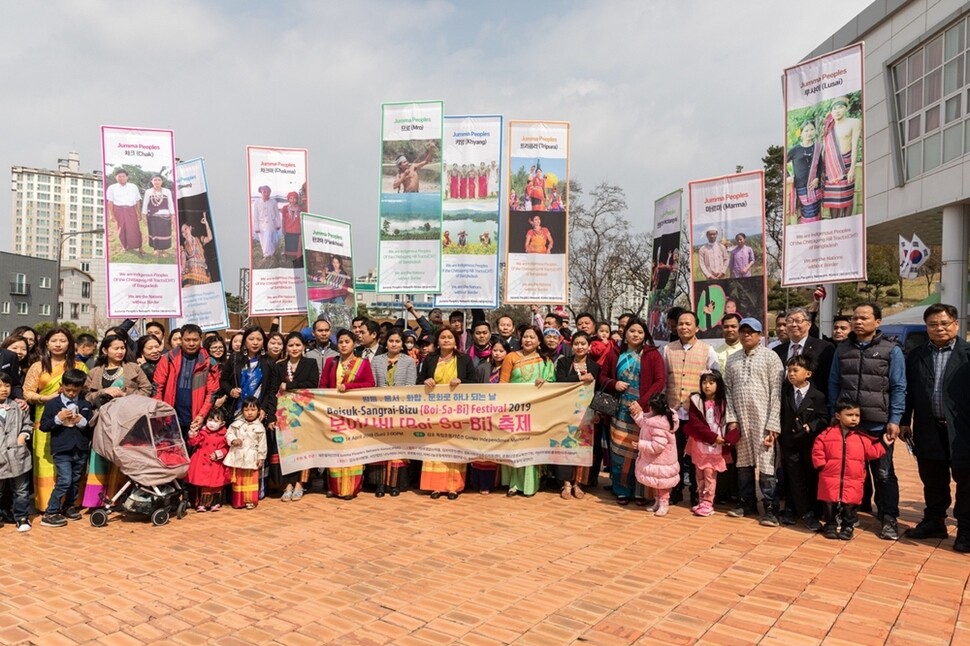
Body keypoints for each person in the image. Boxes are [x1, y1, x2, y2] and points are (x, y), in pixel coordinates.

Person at [827, 302, 906, 541]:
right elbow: (834, 383)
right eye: (855, 318)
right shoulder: (842, 350)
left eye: (864, 318)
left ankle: (889, 518)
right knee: (851, 472)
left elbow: (899, 386)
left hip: (878, 424)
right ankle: (852, 516)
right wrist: (835, 413)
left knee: (883, 473)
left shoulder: (891, 350)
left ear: (877, 322)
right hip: (850, 426)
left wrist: (895, 419)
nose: (858, 322)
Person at [901, 304, 970, 551]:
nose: (939, 328)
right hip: (928, 428)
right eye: (933, 324)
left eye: (944, 323)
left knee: (966, 481)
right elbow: (907, 391)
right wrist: (903, 421)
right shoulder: (917, 355)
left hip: (962, 431)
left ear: (956, 324)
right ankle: (934, 522)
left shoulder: (967, 354)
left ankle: (966, 531)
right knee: (932, 478)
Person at [724, 318, 784, 526]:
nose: (746, 335)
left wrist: (773, 424)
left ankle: (770, 508)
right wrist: (731, 420)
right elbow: (728, 393)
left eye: (751, 332)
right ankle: (747, 502)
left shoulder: (771, 357)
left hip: (764, 419)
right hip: (741, 419)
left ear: (760, 335)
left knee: (767, 464)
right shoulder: (733, 360)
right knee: (743, 464)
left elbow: (777, 392)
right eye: (743, 331)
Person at [81, 335, 152, 507]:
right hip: (103, 421)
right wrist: (103, 392)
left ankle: (121, 498)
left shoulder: (133, 368)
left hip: (127, 421)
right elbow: (86, 396)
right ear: (105, 351)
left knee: (124, 457)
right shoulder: (95, 372)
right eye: (116, 348)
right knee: (100, 455)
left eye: (122, 348)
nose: (120, 351)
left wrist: (126, 394)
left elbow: (147, 389)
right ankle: (96, 500)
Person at [602, 318, 666, 505]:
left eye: (640, 332)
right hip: (620, 410)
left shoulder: (652, 355)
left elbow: (659, 381)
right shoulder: (615, 353)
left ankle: (641, 491)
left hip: (643, 412)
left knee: (642, 451)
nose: (636, 335)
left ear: (645, 334)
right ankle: (621, 490)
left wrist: (641, 402)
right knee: (619, 451)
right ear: (625, 333)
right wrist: (615, 383)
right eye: (632, 331)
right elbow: (603, 376)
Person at [23, 328, 86, 512]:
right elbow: (27, 392)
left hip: (73, 425)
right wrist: (48, 398)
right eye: (54, 340)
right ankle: (45, 505)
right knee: (45, 463)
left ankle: (69, 504)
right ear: (46, 344)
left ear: (70, 344)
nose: (58, 344)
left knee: (72, 466)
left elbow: (86, 391)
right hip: (45, 419)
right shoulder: (38, 366)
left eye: (63, 340)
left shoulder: (79, 366)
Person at [813, 398, 891, 540]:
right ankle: (830, 525)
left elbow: (872, 452)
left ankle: (847, 527)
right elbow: (818, 449)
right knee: (829, 504)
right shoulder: (827, 434)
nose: (854, 419)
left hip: (853, 480)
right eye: (849, 415)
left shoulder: (862, 437)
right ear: (838, 416)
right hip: (830, 478)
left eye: (857, 415)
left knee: (850, 506)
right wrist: (821, 465)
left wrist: (884, 444)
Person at [662, 311, 718, 506]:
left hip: (697, 413)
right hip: (673, 411)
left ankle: (697, 493)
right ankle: (675, 491)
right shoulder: (668, 349)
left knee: (697, 455)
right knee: (673, 454)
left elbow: (714, 379)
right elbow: (664, 380)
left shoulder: (708, 350)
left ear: (697, 327)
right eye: (680, 324)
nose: (684, 327)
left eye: (688, 324)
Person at [419, 328, 477, 500]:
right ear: (437, 341)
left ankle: (453, 486)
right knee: (435, 447)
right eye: (442, 337)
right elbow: (418, 381)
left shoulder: (464, 359)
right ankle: (435, 486)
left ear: (456, 340)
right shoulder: (429, 359)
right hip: (434, 412)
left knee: (454, 447)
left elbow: (474, 383)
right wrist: (425, 381)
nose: (446, 340)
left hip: (457, 412)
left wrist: (461, 381)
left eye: (450, 337)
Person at [320, 329, 376, 499]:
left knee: (352, 448)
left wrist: (349, 387)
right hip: (334, 413)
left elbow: (370, 384)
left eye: (347, 342)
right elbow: (322, 386)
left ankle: (351, 488)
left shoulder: (363, 363)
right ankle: (335, 487)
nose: (343, 345)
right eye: (341, 342)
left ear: (354, 344)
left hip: (354, 413)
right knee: (336, 448)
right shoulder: (331, 362)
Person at [499, 326, 553, 497]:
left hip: (536, 410)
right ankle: (513, 484)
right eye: (525, 337)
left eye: (532, 337)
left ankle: (530, 485)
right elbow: (503, 383)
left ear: (539, 341)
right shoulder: (511, 357)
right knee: (515, 445)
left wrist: (545, 382)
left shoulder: (546, 361)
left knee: (531, 445)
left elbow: (553, 382)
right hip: (514, 409)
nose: (528, 340)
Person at [38, 369, 92, 528]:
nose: (70, 393)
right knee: (65, 480)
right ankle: (51, 512)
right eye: (67, 389)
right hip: (61, 449)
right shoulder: (52, 404)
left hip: (80, 449)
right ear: (61, 386)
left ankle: (68, 506)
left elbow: (90, 428)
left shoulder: (85, 404)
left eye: (75, 390)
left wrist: (82, 421)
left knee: (75, 479)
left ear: (81, 388)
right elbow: (44, 426)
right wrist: (58, 419)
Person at [779, 355, 827, 531]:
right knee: (794, 477)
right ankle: (803, 513)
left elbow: (824, 418)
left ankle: (807, 509)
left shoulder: (817, 396)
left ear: (808, 373)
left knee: (809, 477)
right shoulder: (785, 392)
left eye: (795, 370)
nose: (791, 374)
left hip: (809, 445)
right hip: (789, 443)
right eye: (789, 370)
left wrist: (811, 426)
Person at [684, 372, 738, 517]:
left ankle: (708, 502)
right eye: (704, 383)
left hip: (716, 445)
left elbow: (732, 423)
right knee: (699, 473)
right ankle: (701, 500)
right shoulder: (696, 401)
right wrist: (711, 437)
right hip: (701, 442)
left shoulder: (724, 403)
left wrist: (725, 438)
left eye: (711, 383)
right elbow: (695, 423)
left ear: (718, 385)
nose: (707, 386)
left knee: (709, 473)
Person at [154, 325, 220, 445]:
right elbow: (157, 387)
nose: (191, 343)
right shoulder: (168, 359)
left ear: (200, 339)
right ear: (181, 340)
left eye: (195, 340)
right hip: (170, 416)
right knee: (172, 455)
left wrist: (201, 415)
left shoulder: (209, 362)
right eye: (187, 340)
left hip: (195, 418)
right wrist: (161, 413)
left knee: (193, 457)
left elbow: (212, 393)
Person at [369, 329, 416, 497]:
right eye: (391, 341)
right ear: (385, 342)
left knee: (398, 448)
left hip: (400, 410)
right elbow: (372, 385)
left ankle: (395, 484)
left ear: (402, 344)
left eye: (397, 341)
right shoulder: (377, 360)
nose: (394, 344)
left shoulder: (409, 361)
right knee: (381, 447)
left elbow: (411, 385)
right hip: (380, 410)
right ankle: (380, 484)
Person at [553, 331, 599, 499]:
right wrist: (580, 377)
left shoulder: (595, 366)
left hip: (586, 414)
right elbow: (560, 381)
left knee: (582, 448)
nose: (579, 347)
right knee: (565, 446)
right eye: (576, 344)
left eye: (583, 344)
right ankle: (565, 484)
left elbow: (598, 391)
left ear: (589, 347)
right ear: (571, 346)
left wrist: (598, 413)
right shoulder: (564, 362)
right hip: (565, 412)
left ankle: (578, 484)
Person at [276, 332, 319, 502]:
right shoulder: (279, 366)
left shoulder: (310, 363)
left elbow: (312, 384)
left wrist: (290, 385)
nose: (294, 348)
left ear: (303, 346)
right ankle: (287, 484)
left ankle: (301, 483)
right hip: (284, 414)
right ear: (286, 348)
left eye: (298, 345)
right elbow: (274, 388)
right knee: (287, 448)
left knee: (303, 449)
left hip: (304, 413)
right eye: (291, 345)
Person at [632, 393, 680, 516]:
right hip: (658, 461)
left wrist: (640, 445)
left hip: (662, 461)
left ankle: (664, 504)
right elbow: (643, 421)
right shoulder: (656, 419)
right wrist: (636, 414)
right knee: (657, 483)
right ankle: (658, 502)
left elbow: (657, 446)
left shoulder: (659, 425)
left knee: (662, 485)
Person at [773, 307, 835, 396]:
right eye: (790, 321)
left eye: (798, 321)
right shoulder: (777, 351)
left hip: (815, 403)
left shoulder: (824, 348)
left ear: (809, 324)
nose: (793, 325)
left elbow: (830, 381)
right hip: (785, 404)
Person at [0, 372, 34, 532]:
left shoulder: (18, 406)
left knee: (21, 489)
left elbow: (28, 424)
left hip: (17, 455)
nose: (3, 389)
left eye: (6, 386)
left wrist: (23, 436)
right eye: (0, 386)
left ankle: (22, 517)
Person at [821, 96, 862, 219]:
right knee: (833, 198)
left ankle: (847, 223)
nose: (837, 111)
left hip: (847, 163)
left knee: (847, 194)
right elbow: (825, 149)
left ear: (846, 108)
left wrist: (852, 169)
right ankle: (835, 223)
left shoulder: (854, 122)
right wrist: (822, 169)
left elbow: (855, 146)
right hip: (831, 166)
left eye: (840, 107)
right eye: (834, 108)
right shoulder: (829, 126)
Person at [223, 397, 267, 510]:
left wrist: (261, 457)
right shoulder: (236, 424)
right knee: (238, 480)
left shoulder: (260, 427)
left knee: (249, 480)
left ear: (258, 411)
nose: (250, 413)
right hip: (237, 455)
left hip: (251, 456)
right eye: (246, 410)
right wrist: (233, 440)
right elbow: (229, 434)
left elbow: (262, 444)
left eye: (253, 410)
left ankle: (250, 501)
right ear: (242, 411)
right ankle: (238, 501)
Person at [187, 408, 231, 512]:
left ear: (222, 423)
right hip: (202, 460)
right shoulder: (202, 431)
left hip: (215, 463)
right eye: (210, 420)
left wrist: (218, 454)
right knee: (202, 484)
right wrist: (193, 432)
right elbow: (193, 442)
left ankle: (214, 502)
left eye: (216, 421)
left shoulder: (224, 434)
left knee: (215, 484)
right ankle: (200, 503)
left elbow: (226, 448)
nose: (212, 423)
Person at [787, 120, 823, 223]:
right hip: (802, 186)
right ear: (801, 133)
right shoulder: (795, 150)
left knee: (816, 210)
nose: (809, 133)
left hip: (815, 185)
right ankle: (807, 232)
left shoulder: (817, 148)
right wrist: (787, 175)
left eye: (812, 129)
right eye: (806, 130)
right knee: (808, 212)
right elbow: (782, 162)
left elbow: (820, 165)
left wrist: (817, 178)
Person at [106, 169, 142, 255]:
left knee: (135, 228)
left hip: (131, 209)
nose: (121, 178)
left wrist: (139, 213)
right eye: (119, 176)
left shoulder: (133, 186)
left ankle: (139, 247)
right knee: (121, 229)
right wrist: (111, 214)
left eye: (123, 176)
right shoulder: (112, 188)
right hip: (118, 209)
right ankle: (124, 246)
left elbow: (137, 201)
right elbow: (110, 202)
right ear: (116, 178)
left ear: (127, 177)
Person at [142, 175, 174, 254]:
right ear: (152, 181)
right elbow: (145, 204)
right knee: (154, 232)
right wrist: (144, 216)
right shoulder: (148, 191)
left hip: (165, 217)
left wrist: (172, 216)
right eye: (155, 180)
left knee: (165, 232)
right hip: (153, 217)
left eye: (159, 180)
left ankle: (163, 250)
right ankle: (156, 249)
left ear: (162, 181)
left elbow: (170, 203)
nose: (157, 182)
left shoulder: (167, 191)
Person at [181, 214, 213, 286]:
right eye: (182, 232)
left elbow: (210, 238)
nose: (184, 232)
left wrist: (206, 224)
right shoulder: (183, 246)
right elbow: (183, 260)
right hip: (191, 274)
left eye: (185, 229)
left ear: (190, 228)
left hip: (203, 274)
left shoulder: (198, 239)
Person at [252, 185, 280, 259]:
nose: (266, 193)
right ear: (261, 192)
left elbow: (277, 214)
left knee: (270, 239)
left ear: (270, 193)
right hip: (261, 225)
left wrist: (278, 224)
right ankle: (269, 255)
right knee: (263, 241)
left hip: (271, 224)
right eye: (264, 192)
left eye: (268, 192)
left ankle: (267, 256)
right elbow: (255, 216)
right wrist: (256, 227)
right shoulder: (256, 202)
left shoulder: (273, 202)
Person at [280, 191, 303, 265]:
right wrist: (283, 228)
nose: (293, 200)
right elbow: (283, 219)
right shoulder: (285, 208)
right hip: (288, 230)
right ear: (288, 199)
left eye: (294, 198)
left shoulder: (300, 209)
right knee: (288, 246)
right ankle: (288, 259)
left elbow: (302, 220)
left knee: (297, 247)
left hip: (297, 230)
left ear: (297, 199)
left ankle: (297, 260)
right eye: (291, 198)